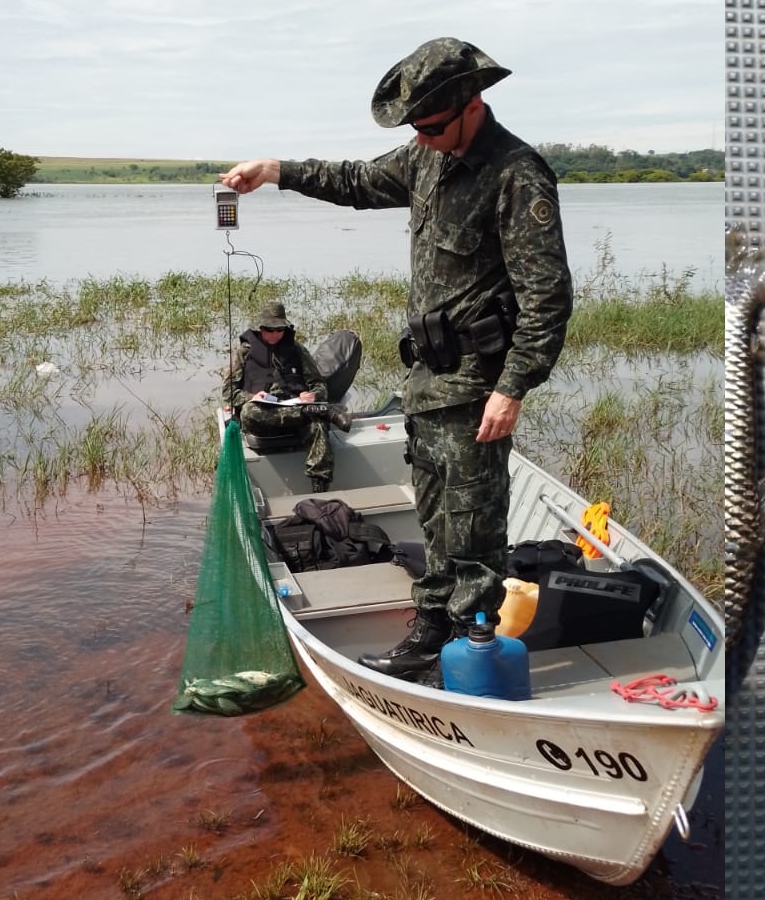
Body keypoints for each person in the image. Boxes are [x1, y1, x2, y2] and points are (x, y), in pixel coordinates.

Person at [219, 38, 573, 682]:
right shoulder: (424, 158)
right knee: (436, 509)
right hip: (428, 382)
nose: (424, 137)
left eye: (433, 125)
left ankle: (474, 645)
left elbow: (547, 297)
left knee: (473, 522)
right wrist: (275, 170)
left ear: (474, 104)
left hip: (477, 384)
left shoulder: (516, 175)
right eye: (415, 127)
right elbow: (354, 181)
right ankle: (434, 624)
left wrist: (514, 386)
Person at [221, 299, 352, 494]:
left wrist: (313, 396)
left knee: (317, 425)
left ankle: (320, 486)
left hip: (294, 407)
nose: (275, 335)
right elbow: (228, 393)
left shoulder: (296, 351)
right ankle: (321, 411)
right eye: (270, 330)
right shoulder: (245, 353)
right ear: (260, 328)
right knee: (249, 411)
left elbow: (318, 384)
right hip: (263, 415)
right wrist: (251, 396)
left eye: (279, 330)